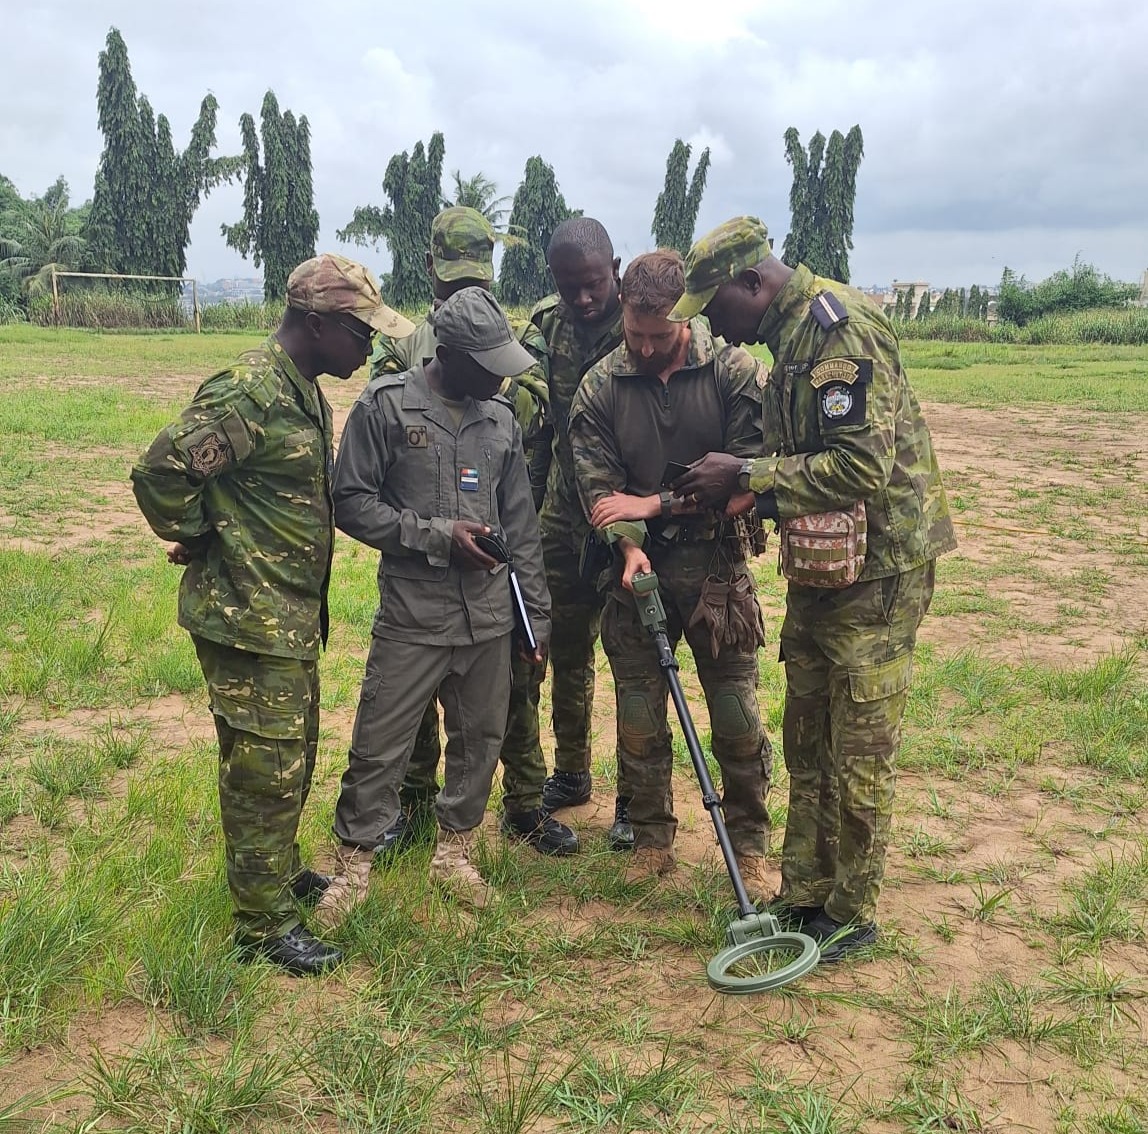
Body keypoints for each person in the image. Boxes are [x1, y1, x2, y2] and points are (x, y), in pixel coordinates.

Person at [670, 216, 956, 962]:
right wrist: (753, 493)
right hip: (825, 567)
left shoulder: (838, 329)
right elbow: (805, 461)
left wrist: (748, 475)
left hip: (880, 571)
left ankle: (851, 910)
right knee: (808, 735)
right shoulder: (789, 338)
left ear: (752, 283)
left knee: (857, 742)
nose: (717, 328)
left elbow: (859, 466)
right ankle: (804, 889)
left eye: (717, 308)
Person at [130, 253, 413, 976]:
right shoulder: (252, 392)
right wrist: (201, 536)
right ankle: (262, 929)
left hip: (282, 617)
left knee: (289, 757)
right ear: (317, 325)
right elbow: (161, 472)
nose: (370, 348)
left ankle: (279, 876)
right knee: (266, 771)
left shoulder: (301, 389)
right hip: (248, 617)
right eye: (360, 332)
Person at [315, 287, 551, 920]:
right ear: (448, 354)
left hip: (490, 617)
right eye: (488, 363)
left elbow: (521, 526)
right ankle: (353, 866)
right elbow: (352, 501)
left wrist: (538, 614)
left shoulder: (500, 420)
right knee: (380, 742)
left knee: (480, 739)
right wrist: (436, 534)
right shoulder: (385, 407)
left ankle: (455, 853)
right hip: (414, 617)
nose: (501, 377)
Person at [568, 250, 774, 898]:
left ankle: (751, 846)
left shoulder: (734, 373)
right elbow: (600, 491)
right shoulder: (601, 386)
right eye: (637, 335)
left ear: (686, 315)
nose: (649, 347)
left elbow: (742, 479)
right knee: (639, 719)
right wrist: (629, 545)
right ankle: (652, 841)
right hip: (637, 574)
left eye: (661, 335)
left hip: (718, 569)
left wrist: (655, 502)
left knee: (738, 719)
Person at [371, 206, 576, 856]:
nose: (466, 286)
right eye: (455, 275)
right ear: (431, 267)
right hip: (423, 554)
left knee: (515, 682)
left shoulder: (508, 339)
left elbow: (534, 414)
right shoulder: (403, 348)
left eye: (476, 275)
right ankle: (411, 809)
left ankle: (523, 802)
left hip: (499, 541)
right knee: (415, 695)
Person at [529, 217, 634, 850]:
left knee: (633, 661)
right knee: (562, 644)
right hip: (563, 513)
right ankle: (571, 772)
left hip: (629, 516)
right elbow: (535, 417)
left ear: (615, 269)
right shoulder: (547, 325)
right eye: (572, 288)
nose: (586, 299)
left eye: (594, 284)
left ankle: (635, 797)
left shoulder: (649, 322)